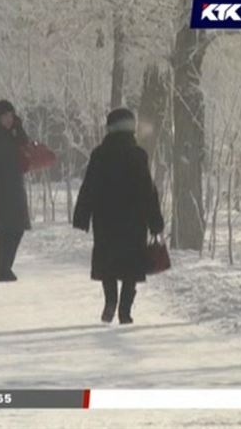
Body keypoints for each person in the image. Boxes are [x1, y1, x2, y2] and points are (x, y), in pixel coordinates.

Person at [73, 108, 164, 324]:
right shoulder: (138, 155)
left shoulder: (99, 154)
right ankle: (125, 310)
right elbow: (148, 190)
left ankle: (110, 301)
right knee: (131, 267)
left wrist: (82, 216)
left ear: (109, 128)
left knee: (108, 264)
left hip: (105, 219)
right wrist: (155, 222)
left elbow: (89, 187)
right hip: (134, 221)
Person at [0, 100, 31, 282]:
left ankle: (5, 266)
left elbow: (25, 145)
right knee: (7, 227)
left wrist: (17, 129)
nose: (9, 119)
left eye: (11, 116)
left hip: (15, 183)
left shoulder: (15, 132)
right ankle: (3, 268)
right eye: (6, 116)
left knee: (18, 227)